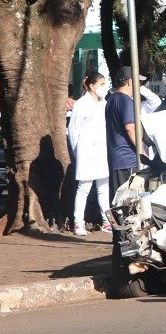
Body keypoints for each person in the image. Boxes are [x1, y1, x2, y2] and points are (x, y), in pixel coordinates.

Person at [67, 72, 112, 236]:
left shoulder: (103, 103)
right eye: (101, 84)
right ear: (92, 86)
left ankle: (107, 221)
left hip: (101, 150)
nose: (104, 88)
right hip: (85, 151)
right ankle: (78, 222)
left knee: (103, 187)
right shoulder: (82, 104)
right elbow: (73, 131)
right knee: (84, 187)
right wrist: (77, 152)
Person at [105, 66, 140, 199]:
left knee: (119, 199)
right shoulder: (125, 100)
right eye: (137, 81)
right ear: (130, 82)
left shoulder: (111, 100)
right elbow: (130, 127)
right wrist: (141, 150)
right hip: (127, 158)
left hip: (116, 157)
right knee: (128, 199)